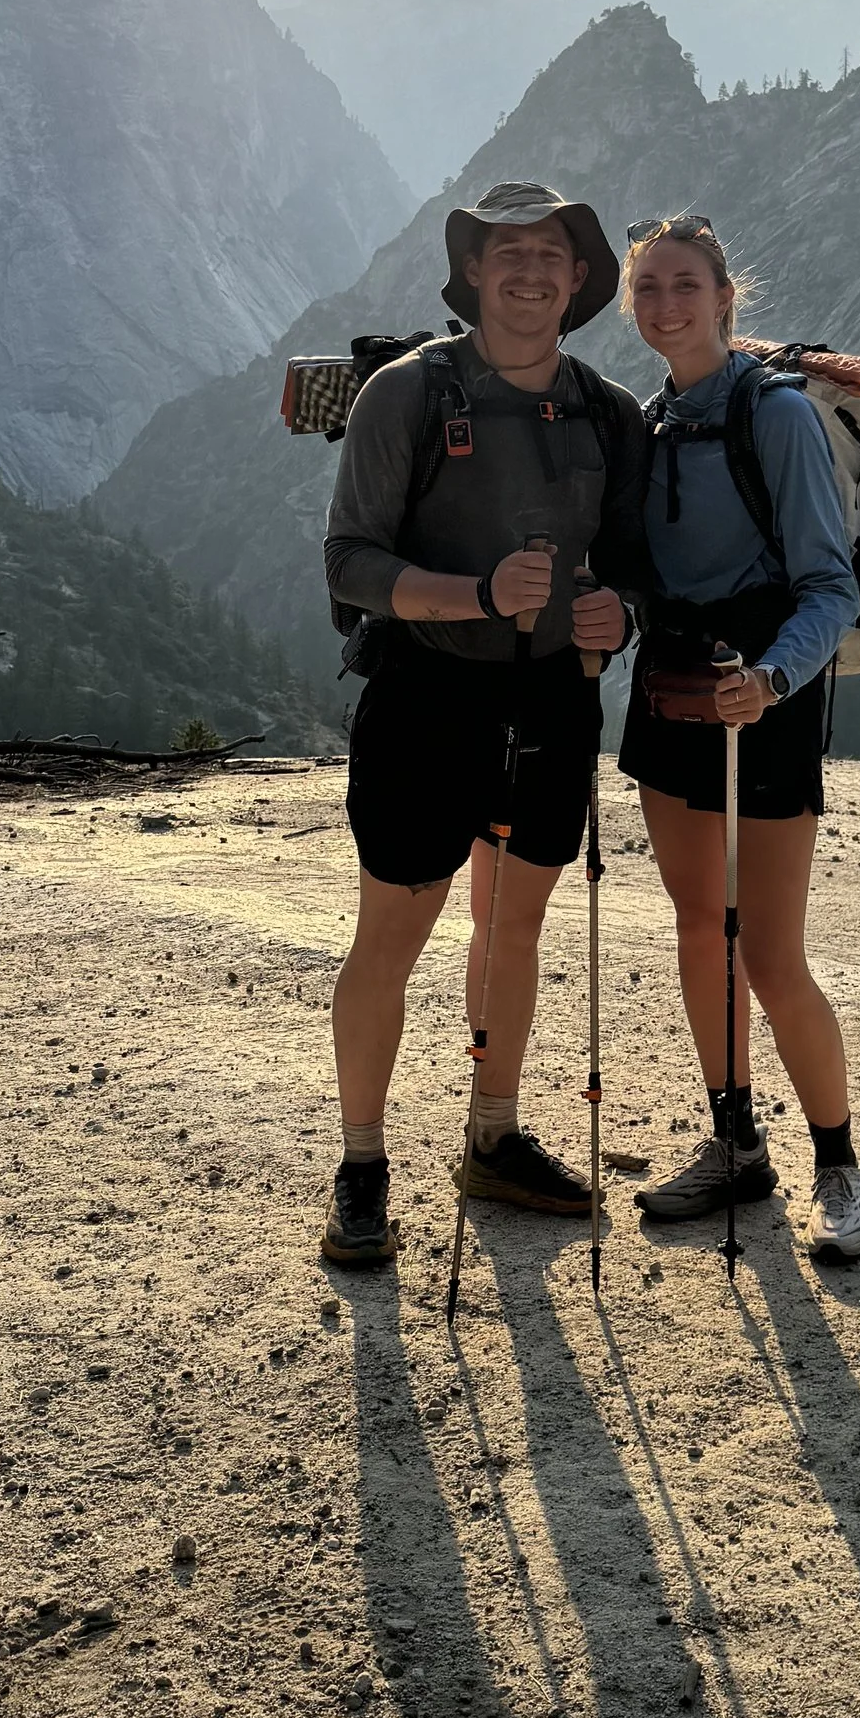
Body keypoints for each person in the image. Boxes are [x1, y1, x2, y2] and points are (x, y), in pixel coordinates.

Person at [317, 180, 649, 1270]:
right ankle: (362, 1168)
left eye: (550, 253)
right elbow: (350, 563)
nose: (528, 270)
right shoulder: (407, 396)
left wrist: (619, 611)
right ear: (470, 273)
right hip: (425, 698)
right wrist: (476, 595)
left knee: (513, 928)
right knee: (393, 935)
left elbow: (633, 563)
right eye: (506, 252)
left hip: (551, 698)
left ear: (579, 279)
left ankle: (491, 1136)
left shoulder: (607, 411)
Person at [618, 215, 860, 1261]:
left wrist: (769, 681)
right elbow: (644, 571)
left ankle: (837, 1164)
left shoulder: (773, 416)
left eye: (684, 286)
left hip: (760, 695)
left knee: (768, 952)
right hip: (669, 689)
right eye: (648, 291)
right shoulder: (648, 422)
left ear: (726, 296)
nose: (666, 306)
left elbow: (829, 585)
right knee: (695, 927)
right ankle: (736, 1144)